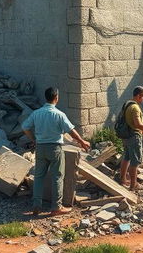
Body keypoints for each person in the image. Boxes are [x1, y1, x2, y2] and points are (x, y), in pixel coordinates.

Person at [22, 87, 91, 216]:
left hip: (40, 148)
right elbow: (71, 130)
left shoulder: (36, 113)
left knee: (38, 177)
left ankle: (36, 205)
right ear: (56, 98)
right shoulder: (59, 114)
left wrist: (34, 139)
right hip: (55, 148)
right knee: (57, 177)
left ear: (46, 97)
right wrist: (82, 141)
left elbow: (25, 127)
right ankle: (56, 207)